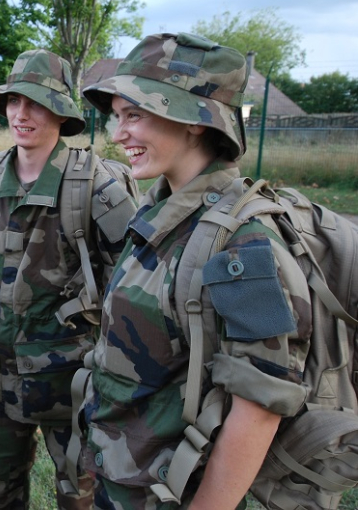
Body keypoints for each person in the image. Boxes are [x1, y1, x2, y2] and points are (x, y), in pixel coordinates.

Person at [80, 33, 310, 509]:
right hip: (125, 474)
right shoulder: (162, 210)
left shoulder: (242, 244)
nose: (117, 134)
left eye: (135, 115)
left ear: (195, 123)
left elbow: (259, 404)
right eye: (116, 117)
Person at [0, 49, 137, 510]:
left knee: (78, 499)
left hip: (72, 387)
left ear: (61, 111)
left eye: (35, 102)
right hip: (1, 374)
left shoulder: (98, 189)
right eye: (14, 101)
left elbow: (131, 290)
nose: (21, 114)